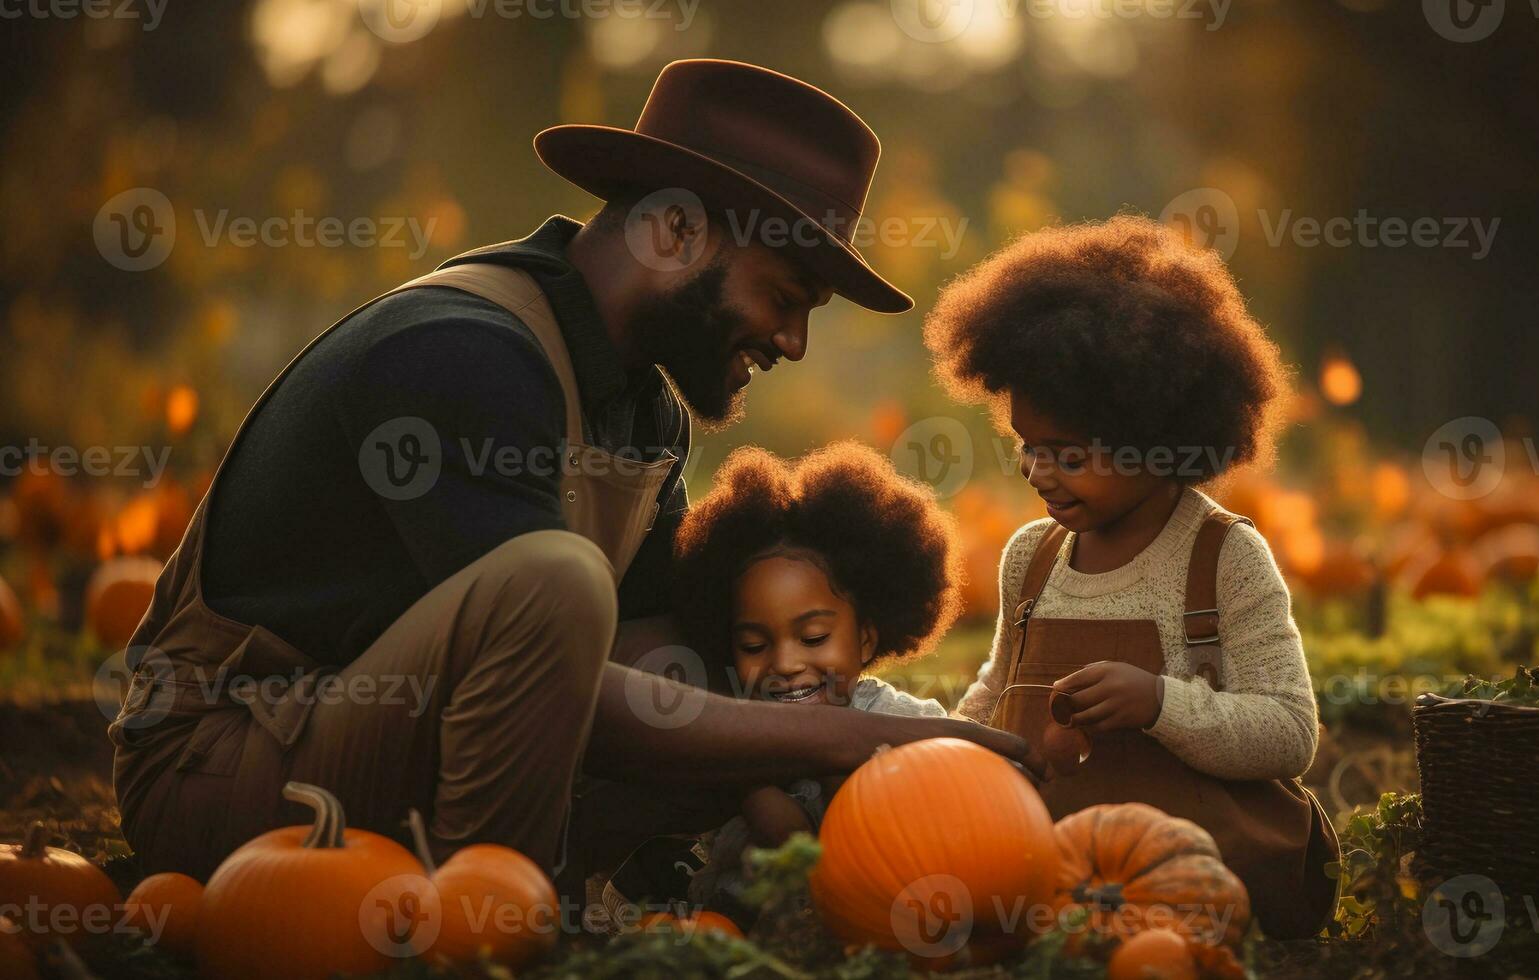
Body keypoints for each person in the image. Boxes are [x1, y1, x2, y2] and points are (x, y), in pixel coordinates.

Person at [108, 59, 1035, 884]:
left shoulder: (644, 406)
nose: (793, 341)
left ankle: (672, 873)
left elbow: (664, 649)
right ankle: (483, 916)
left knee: (724, 645)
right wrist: (863, 738)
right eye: (783, 297)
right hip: (224, 772)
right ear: (673, 231)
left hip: (394, 742)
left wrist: (879, 733)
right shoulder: (462, 353)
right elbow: (573, 685)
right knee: (555, 585)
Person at [928, 214, 1337, 938]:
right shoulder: (1033, 558)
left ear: (1161, 437)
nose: (1036, 472)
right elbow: (996, 692)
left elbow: (1288, 733)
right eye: (1026, 447)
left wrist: (1159, 703)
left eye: (1067, 455)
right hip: (1051, 878)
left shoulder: (1220, 559)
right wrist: (942, 758)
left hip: (1187, 887)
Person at [651, 442, 962, 927]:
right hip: (744, 930)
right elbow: (783, 835)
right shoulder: (734, 732)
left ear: (865, 639)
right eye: (754, 645)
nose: (786, 663)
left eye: (814, 637)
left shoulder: (902, 725)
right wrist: (746, 771)